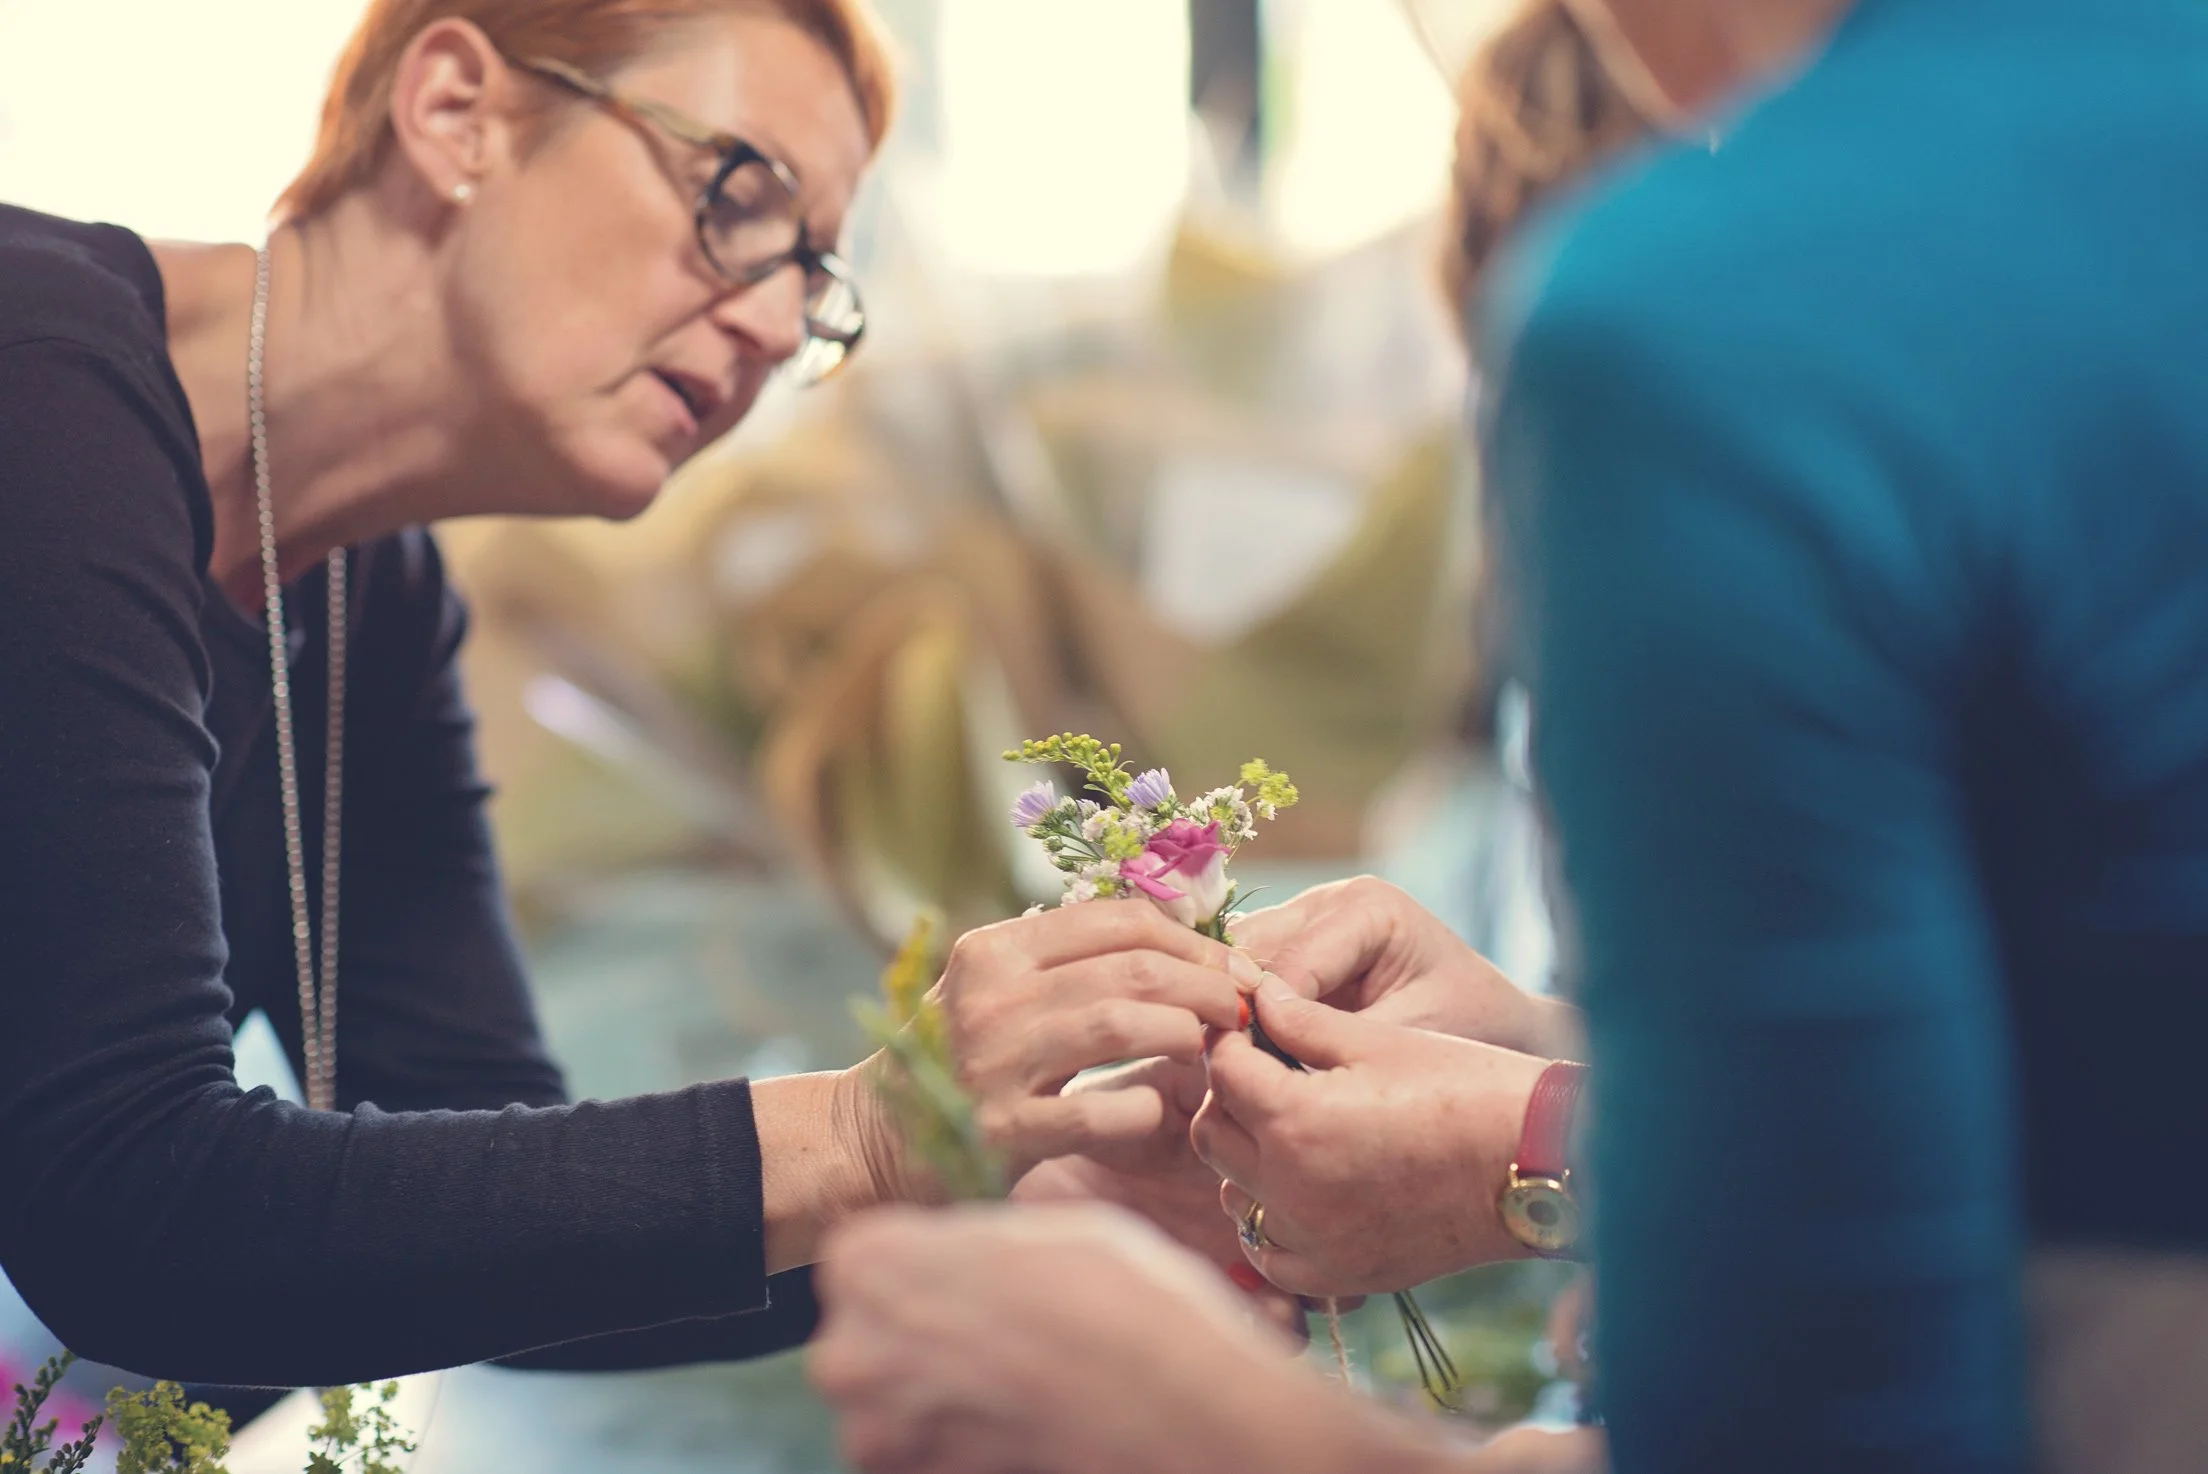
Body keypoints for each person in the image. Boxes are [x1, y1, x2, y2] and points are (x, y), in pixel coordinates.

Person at [817, 0, 2208, 1470]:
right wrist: (1565, 1073)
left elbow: (1840, 1417)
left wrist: (1209, 1417)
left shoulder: (1729, 316)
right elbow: (2092, 1076)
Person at [0, 0, 1258, 1408]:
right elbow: (134, 1196)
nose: (782, 322)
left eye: (816, 275)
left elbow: (529, 1225)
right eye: (741, 196)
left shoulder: (370, 600)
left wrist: (1028, 1185)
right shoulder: (36, 370)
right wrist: (861, 1127)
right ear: (455, 111)